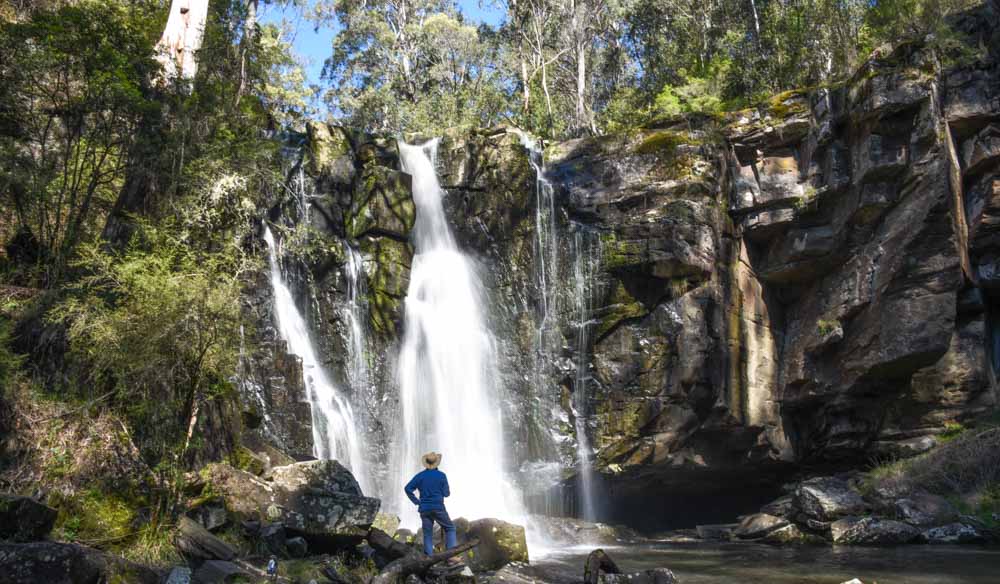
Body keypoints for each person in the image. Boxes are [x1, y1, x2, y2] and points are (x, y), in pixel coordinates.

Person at [404, 451, 458, 557]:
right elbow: (447, 494)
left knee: (428, 534)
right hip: (438, 508)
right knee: (450, 528)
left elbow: (407, 488)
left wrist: (416, 501)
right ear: (437, 463)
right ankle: (451, 557)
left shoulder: (420, 476)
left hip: (424, 508)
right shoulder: (441, 475)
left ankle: (429, 558)